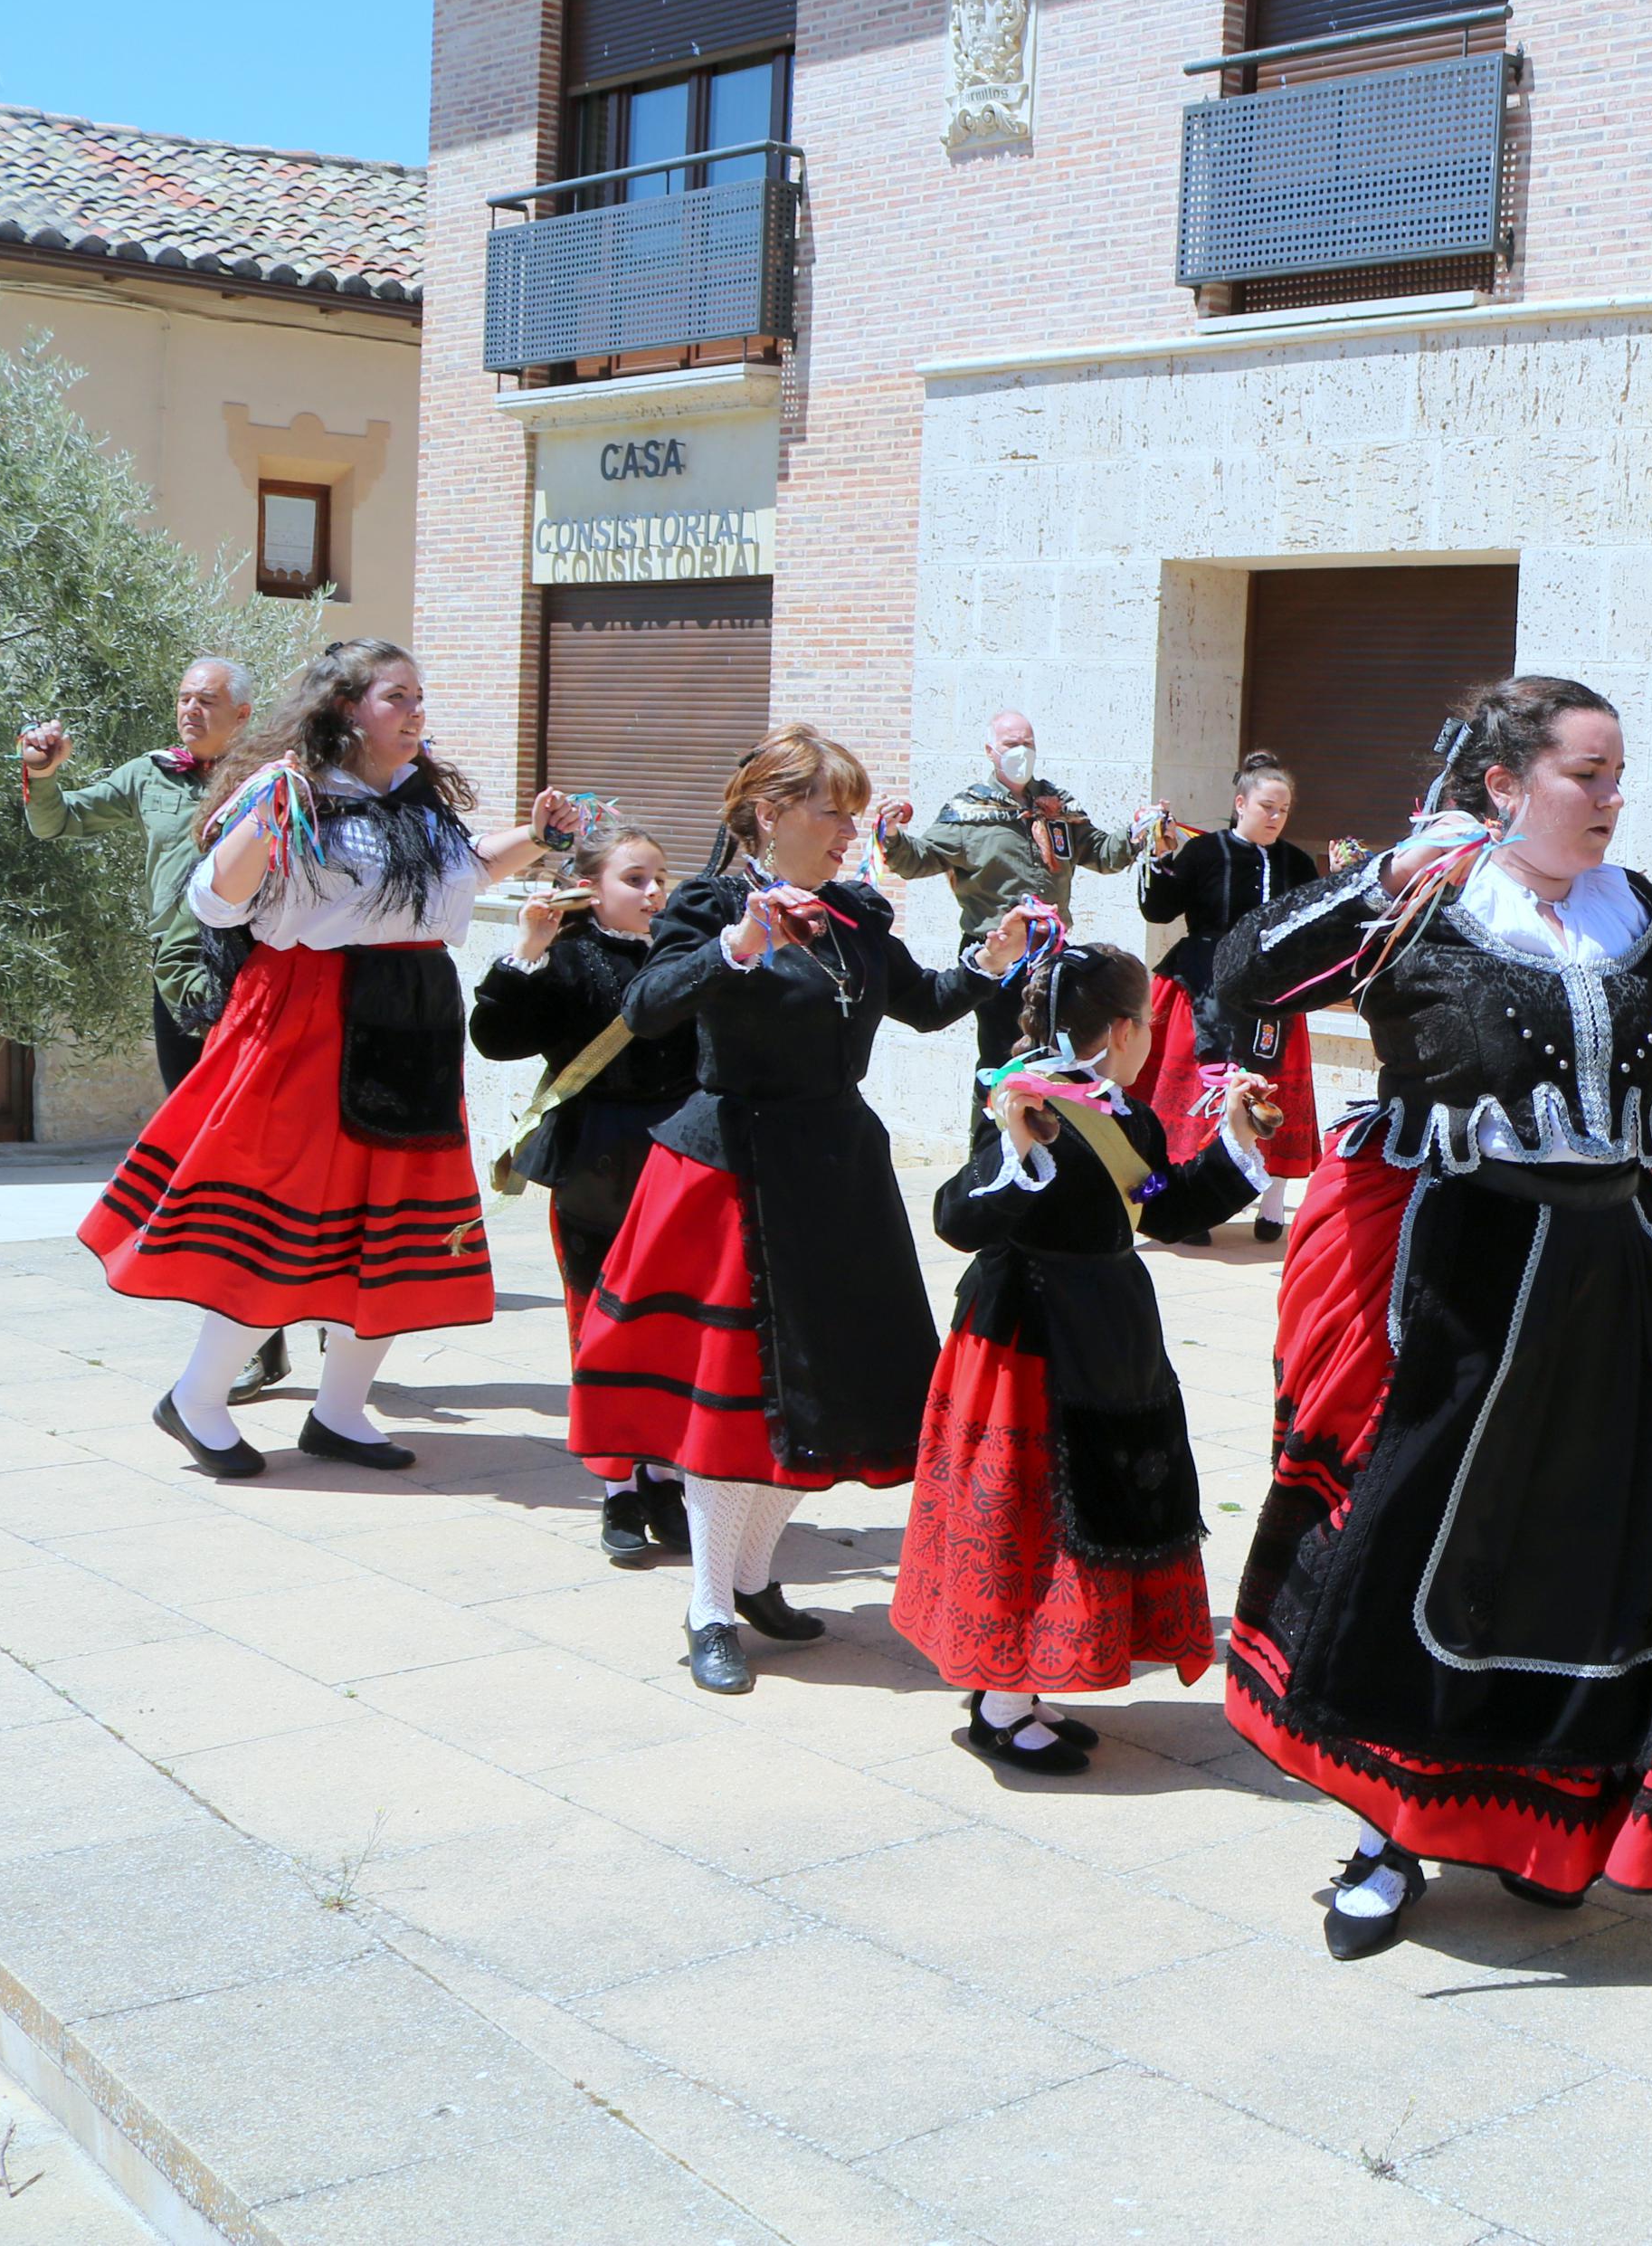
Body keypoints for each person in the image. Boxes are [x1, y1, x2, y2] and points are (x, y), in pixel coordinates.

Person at [1213, 677, 1652, 1961]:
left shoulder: (1635, 910)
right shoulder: (1425, 903)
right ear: (1501, 785)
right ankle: (1384, 1829)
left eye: (1616, 774)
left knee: (1593, 1552)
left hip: (1611, 1268)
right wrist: (1375, 881)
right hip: (1461, 1279)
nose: (1609, 797)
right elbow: (1246, 969)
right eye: (1586, 774)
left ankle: (1544, 1820)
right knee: (1423, 1547)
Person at [566, 725, 1035, 1697]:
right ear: (770, 815)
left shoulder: (857, 912)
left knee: (823, 1390)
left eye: (854, 813)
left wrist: (990, 960)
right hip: (729, 1174)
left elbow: (927, 1001)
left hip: (836, 1169)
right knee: (733, 1403)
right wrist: (737, 948)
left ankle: (753, 1577)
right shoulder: (708, 904)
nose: (849, 831)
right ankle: (706, 1605)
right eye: (834, 811)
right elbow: (649, 1005)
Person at [81, 638, 583, 1479]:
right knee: (278, 1222)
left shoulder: (418, 803)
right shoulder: (290, 789)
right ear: (348, 708)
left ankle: (340, 1412)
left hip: (413, 1022)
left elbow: (461, 873)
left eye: (420, 696)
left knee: (387, 1225)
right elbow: (214, 897)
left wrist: (535, 837)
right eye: (399, 697)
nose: (417, 711)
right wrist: (266, 820)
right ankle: (196, 1399)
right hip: (308, 1022)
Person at [895, 944, 1277, 1771]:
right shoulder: (1021, 1099)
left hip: (1107, 1328)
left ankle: (1019, 1691)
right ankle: (1000, 1704)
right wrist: (1015, 1148)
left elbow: (1160, 1206)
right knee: (1030, 1517)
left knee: (1086, 1508)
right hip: (1026, 1341)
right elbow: (957, 1217)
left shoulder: (1121, 1112)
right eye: (1148, 1023)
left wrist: (1234, 1144)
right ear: (1126, 1029)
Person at [21, 658, 290, 1401]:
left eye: (207, 700)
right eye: (183, 698)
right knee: (204, 1160)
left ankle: (281, 1310)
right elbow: (57, 821)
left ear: (242, 714)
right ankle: (257, 1334)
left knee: (266, 1154)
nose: (190, 711)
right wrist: (42, 774)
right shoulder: (150, 775)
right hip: (178, 986)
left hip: (258, 984)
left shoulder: (273, 780)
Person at [466, 821, 700, 1562]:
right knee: (598, 1325)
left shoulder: (691, 954)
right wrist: (527, 952)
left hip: (679, 1160)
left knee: (672, 1324)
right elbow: (496, 1038)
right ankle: (617, 1489)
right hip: (594, 1162)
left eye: (660, 876)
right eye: (634, 878)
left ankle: (665, 1476)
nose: (654, 890)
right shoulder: (569, 960)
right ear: (591, 891)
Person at [876, 708, 1156, 1075]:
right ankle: (994, 1130)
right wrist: (893, 835)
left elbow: (1102, 853)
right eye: (1011, 744)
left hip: (1050, 950)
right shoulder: (969, 810)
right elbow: (918, 861)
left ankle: (1042, 1129)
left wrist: (1137, 834)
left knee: (1055, 1053)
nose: (1021, 751)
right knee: (1004, 1058)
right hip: (998, 953)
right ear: (991, 751)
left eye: (1028, 744)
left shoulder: (1058, 806)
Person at [1135, 752, 1326, 1237]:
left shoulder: (1297, 863)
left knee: (1274, 1087)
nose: (1276, 817)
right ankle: (1191, 1196)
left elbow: (1321, 927)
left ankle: (1273, 1202)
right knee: (1202, 1090)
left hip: (1273, 996)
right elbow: (1158, 911)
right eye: (1267, 806)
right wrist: (1159, 858)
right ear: (1240, 803)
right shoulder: (1202, 854)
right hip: (1203, 989)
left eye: (1284, 810)